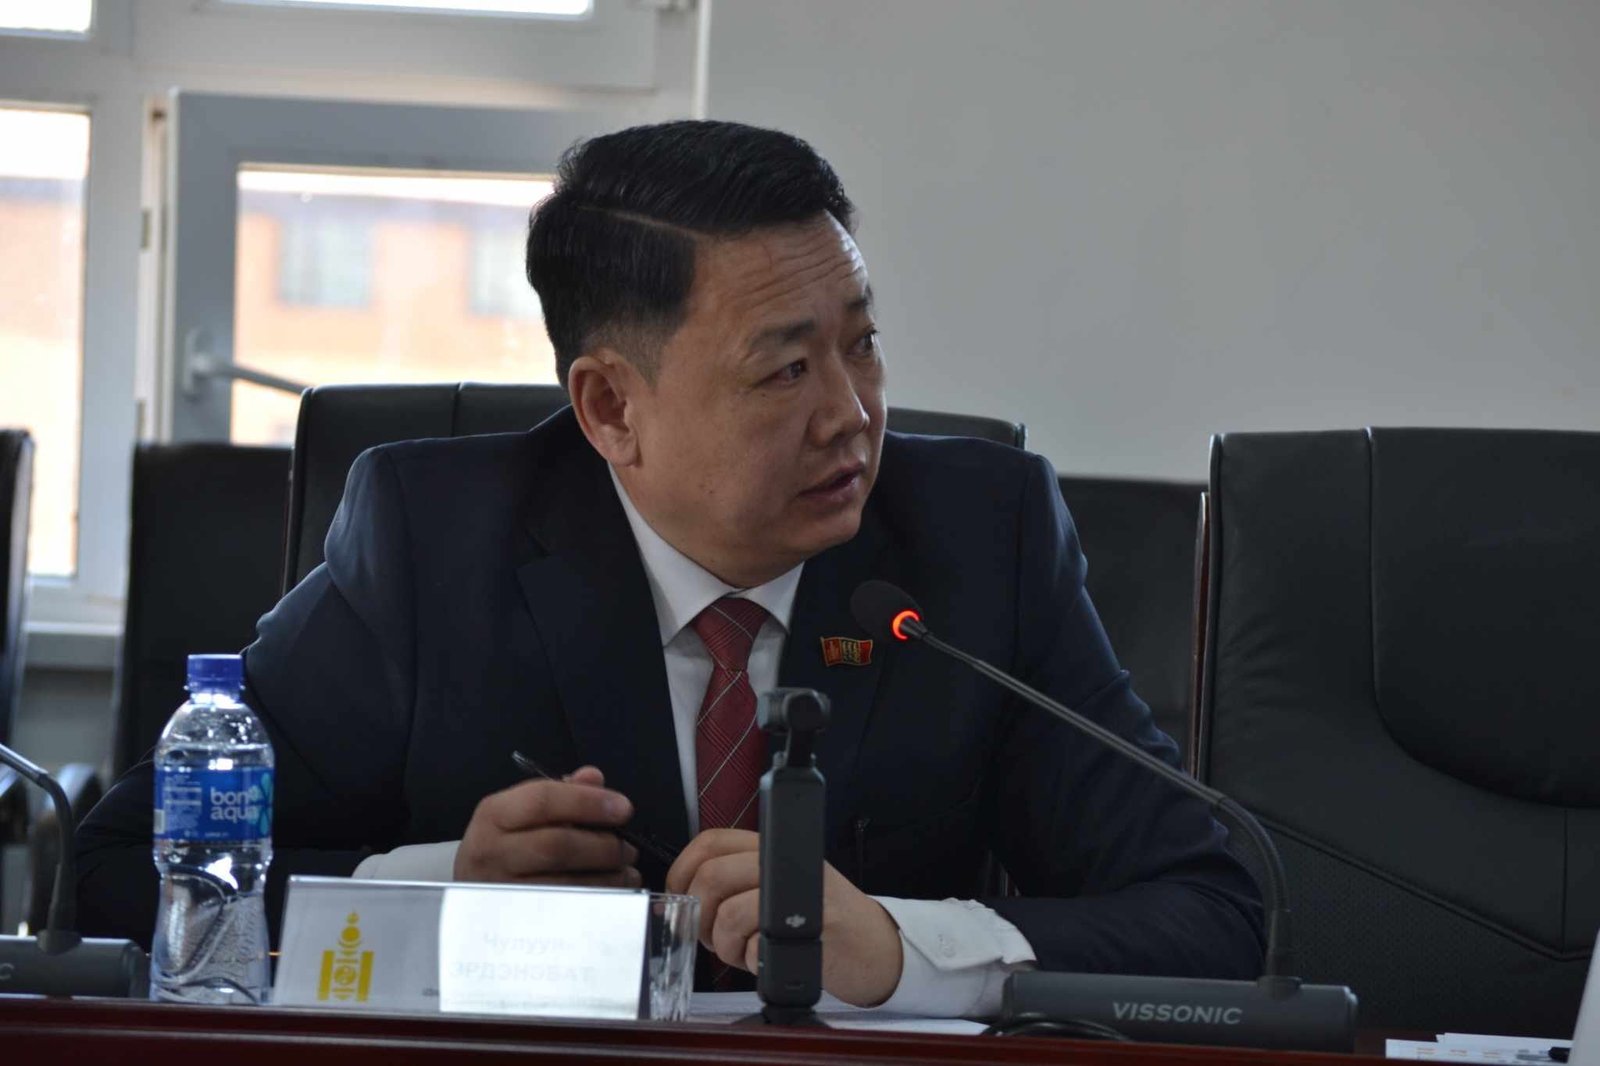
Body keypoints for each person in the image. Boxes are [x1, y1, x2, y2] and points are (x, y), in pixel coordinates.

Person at [77, 120, 1262, 1016]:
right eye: (784, 370)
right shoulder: (435, 542)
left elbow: (1214, 913)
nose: (852, 414)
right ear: (609, 407)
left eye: (861, 344)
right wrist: (439, 889)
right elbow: (121, 875)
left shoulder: (980, 541)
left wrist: (905, 949)